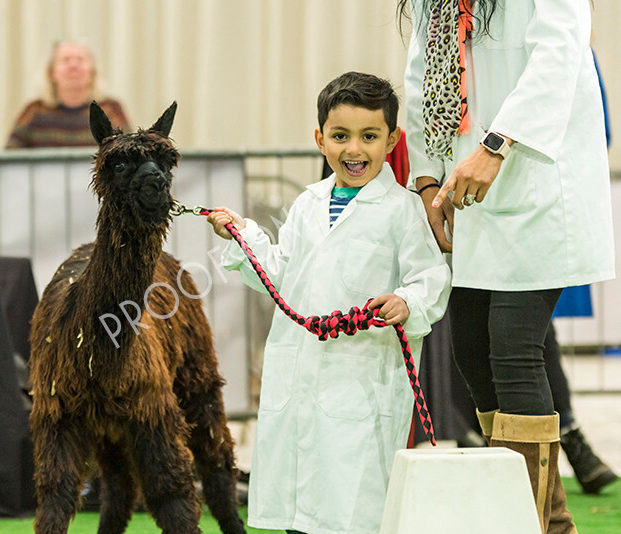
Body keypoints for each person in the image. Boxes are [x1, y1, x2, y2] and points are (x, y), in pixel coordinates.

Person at [401, 0, 615, 532]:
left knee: (514, 351)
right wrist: (427, 177)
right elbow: (420, 76)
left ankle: (531, 524)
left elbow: (559, 55)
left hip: (537, 182)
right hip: (465, 188)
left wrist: (496, 144)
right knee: (471, 350)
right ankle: (546, 518)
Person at [207, 71, 451, 534]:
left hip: (362, 380)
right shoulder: (307, 204)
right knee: (299, 508)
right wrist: (244, 234)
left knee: (353, 509)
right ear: (320, 139)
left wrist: (405, 301)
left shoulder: (402, 210)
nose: (353, 150)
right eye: (340, 136)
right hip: (299, 375)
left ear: (392, 139)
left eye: (368, 136)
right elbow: (279, 274)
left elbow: (431, 278)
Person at [5, 39, 129, 148]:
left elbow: (130, 153)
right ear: (51, 72)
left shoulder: (111, 110)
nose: (73, 66)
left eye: (80, 60)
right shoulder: (34, 111)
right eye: (66, 60)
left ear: (92, 72)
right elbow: (11, 158)